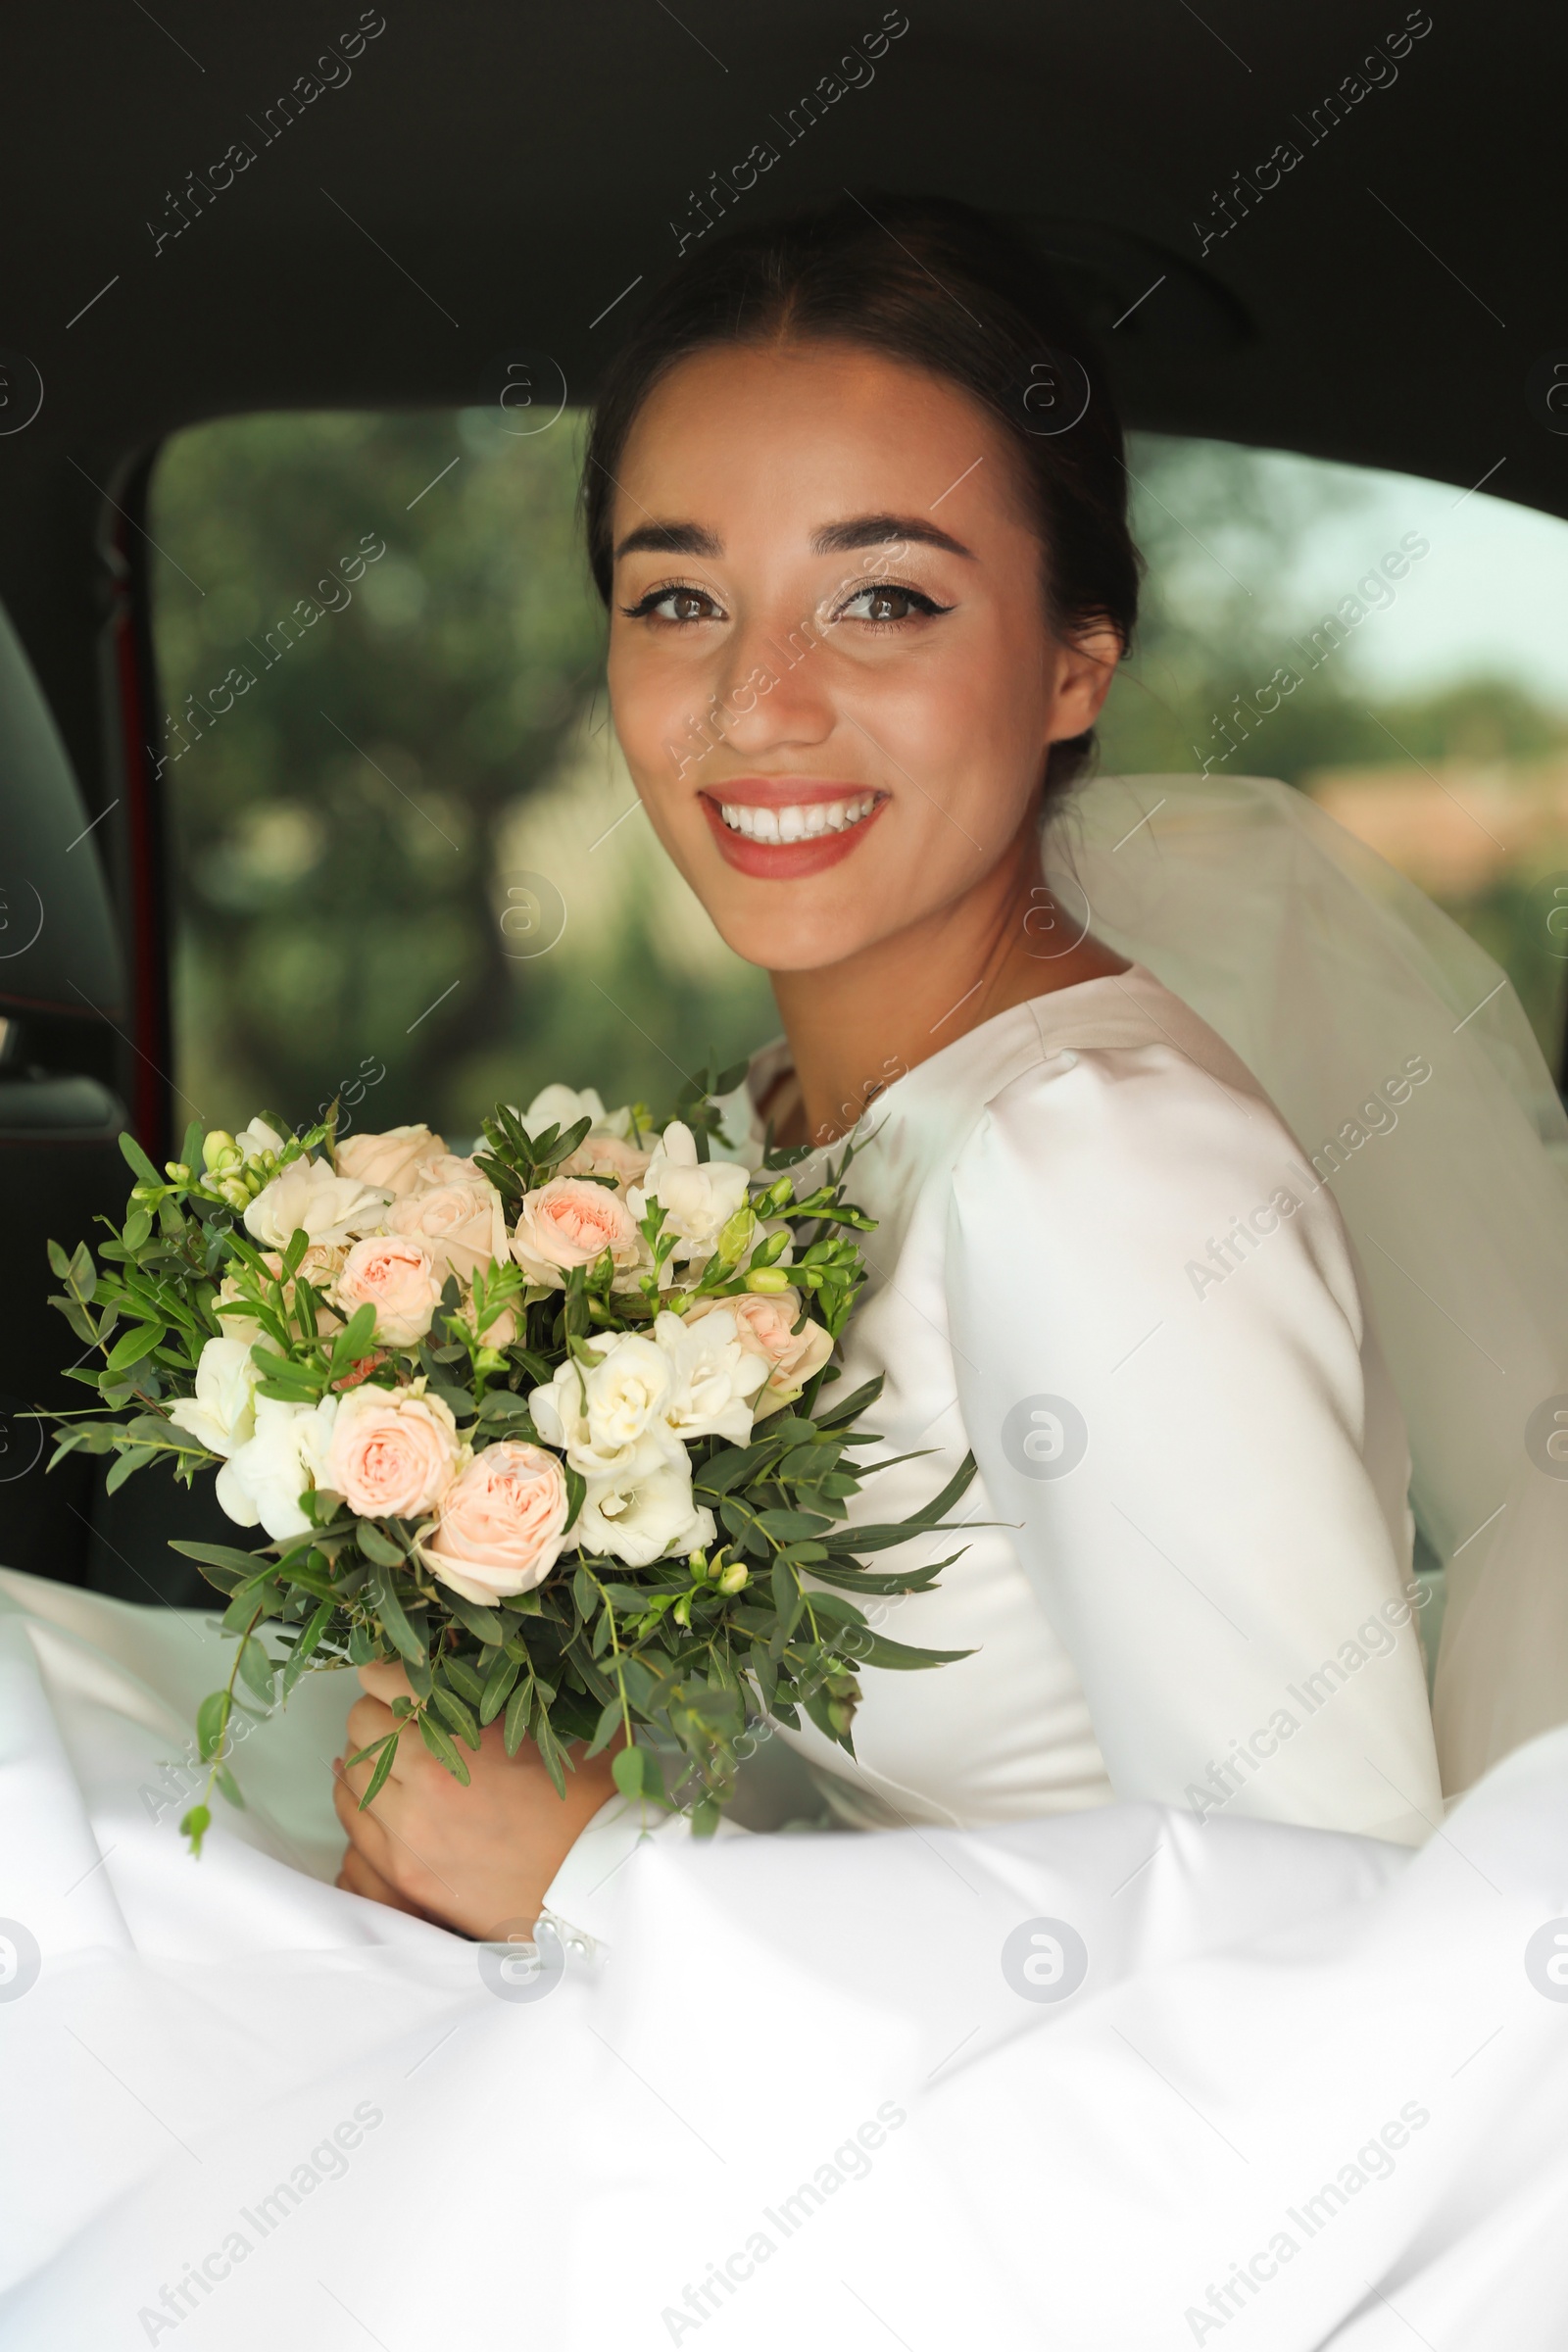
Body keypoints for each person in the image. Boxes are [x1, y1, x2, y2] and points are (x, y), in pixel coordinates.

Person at [330, 194, 1443, 1940]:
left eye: (885, 599)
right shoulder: (755, 1141)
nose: (758, 704)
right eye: (681, 595)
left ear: (1076, 661)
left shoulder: (1105, 1172)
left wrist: (597, 1888)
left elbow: (1324, 1958)